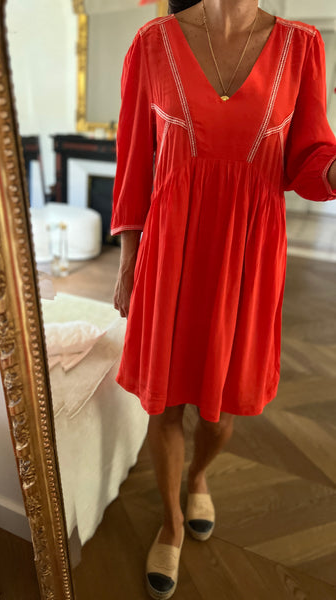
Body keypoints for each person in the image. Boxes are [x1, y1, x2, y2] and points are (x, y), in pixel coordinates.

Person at [111, 0, 336, 597]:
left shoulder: (302, 47)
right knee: (164, 405)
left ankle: (200, 477)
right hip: (169, 252)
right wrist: (129, 262)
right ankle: (170, 521)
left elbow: (309, 161)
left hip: (248, 259)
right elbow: (133, 161)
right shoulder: (151, 43)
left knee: (221, 408)